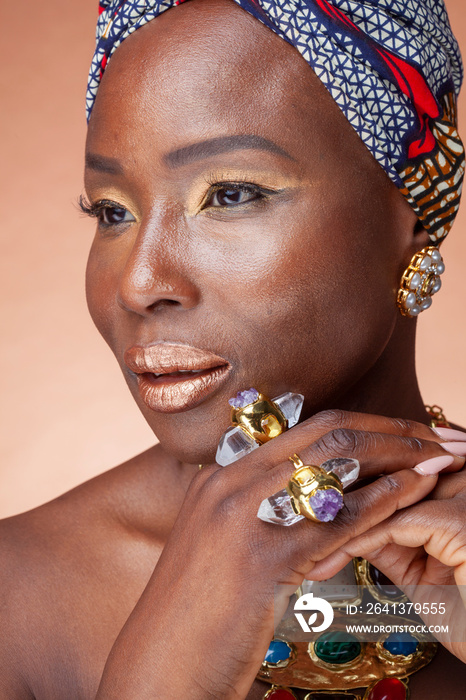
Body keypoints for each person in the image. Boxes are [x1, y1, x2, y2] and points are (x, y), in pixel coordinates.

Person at [1, 0, 466, 698]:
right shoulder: (20, 597)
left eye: (231, 193)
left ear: (414, 210)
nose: (139, 282)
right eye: (111, 211)